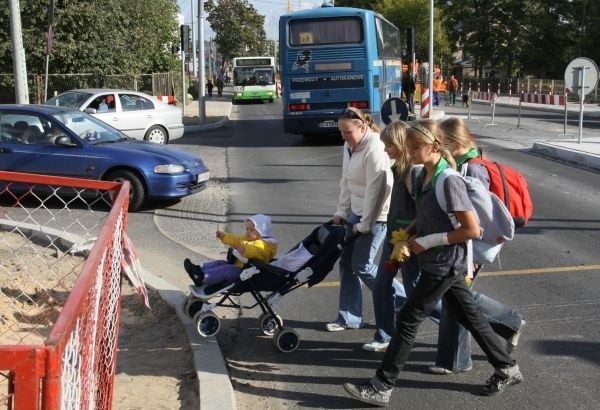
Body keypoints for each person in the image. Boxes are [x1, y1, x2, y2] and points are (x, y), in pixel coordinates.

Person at [343, 119, 523, 407]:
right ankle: (507, 368)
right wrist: (408, 234)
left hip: (445, 262)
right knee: (470, 316)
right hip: (436, 261)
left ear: (435, 147)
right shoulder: (420, 176)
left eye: (416, 148)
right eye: (410, 147)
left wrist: (426, 242)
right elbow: (426, 216)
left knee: (408, 319)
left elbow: (471, 230)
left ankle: (382, 385)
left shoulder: (448, 181)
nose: (411, 152)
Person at [429, 117, 526, 374]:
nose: (438, 148)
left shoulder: (472, 169)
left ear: (456, 143)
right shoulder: (466, 162)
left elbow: (477, 215)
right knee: (457, 299)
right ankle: (505, 326)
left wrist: (469, 252)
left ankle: (462, 356)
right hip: (468, 242)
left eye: (442, 143)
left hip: (473, 244)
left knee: (458, 300)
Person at [366, 120, 441, 352]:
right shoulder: (399, 167)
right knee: (381, 285)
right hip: (394, 238)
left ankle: (460, 322)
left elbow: (422, 210)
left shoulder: (415, 172)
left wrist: (409, 239)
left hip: (407, 242)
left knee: (416, 293)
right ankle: (384, 335)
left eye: (389, 145)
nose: (386, 150)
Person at [326, 107, 392, 333]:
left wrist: (365, 224)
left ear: (362, 128)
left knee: (361, 265)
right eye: (341, 132)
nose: (343, 137)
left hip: (377, 215)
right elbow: (346, 181)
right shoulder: (349, 146)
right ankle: (349, 318)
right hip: (356, 212)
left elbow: (378, 189)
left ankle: (405, 300)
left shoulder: (375, 147)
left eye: (347, 132)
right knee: (346, 264)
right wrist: (341, 212)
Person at [183, 214, 277, 287]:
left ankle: (204, 277)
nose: (248, 231)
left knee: (227, 270)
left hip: (246, 274)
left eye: (251, 230)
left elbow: (256, 249)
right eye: (247, 229)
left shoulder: (265, 244)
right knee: (220, 263)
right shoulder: (248, 239)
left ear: (261, 232)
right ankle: (198, 270)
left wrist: (245, 249)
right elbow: (236, 240)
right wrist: (224, 236)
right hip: (239, 267)